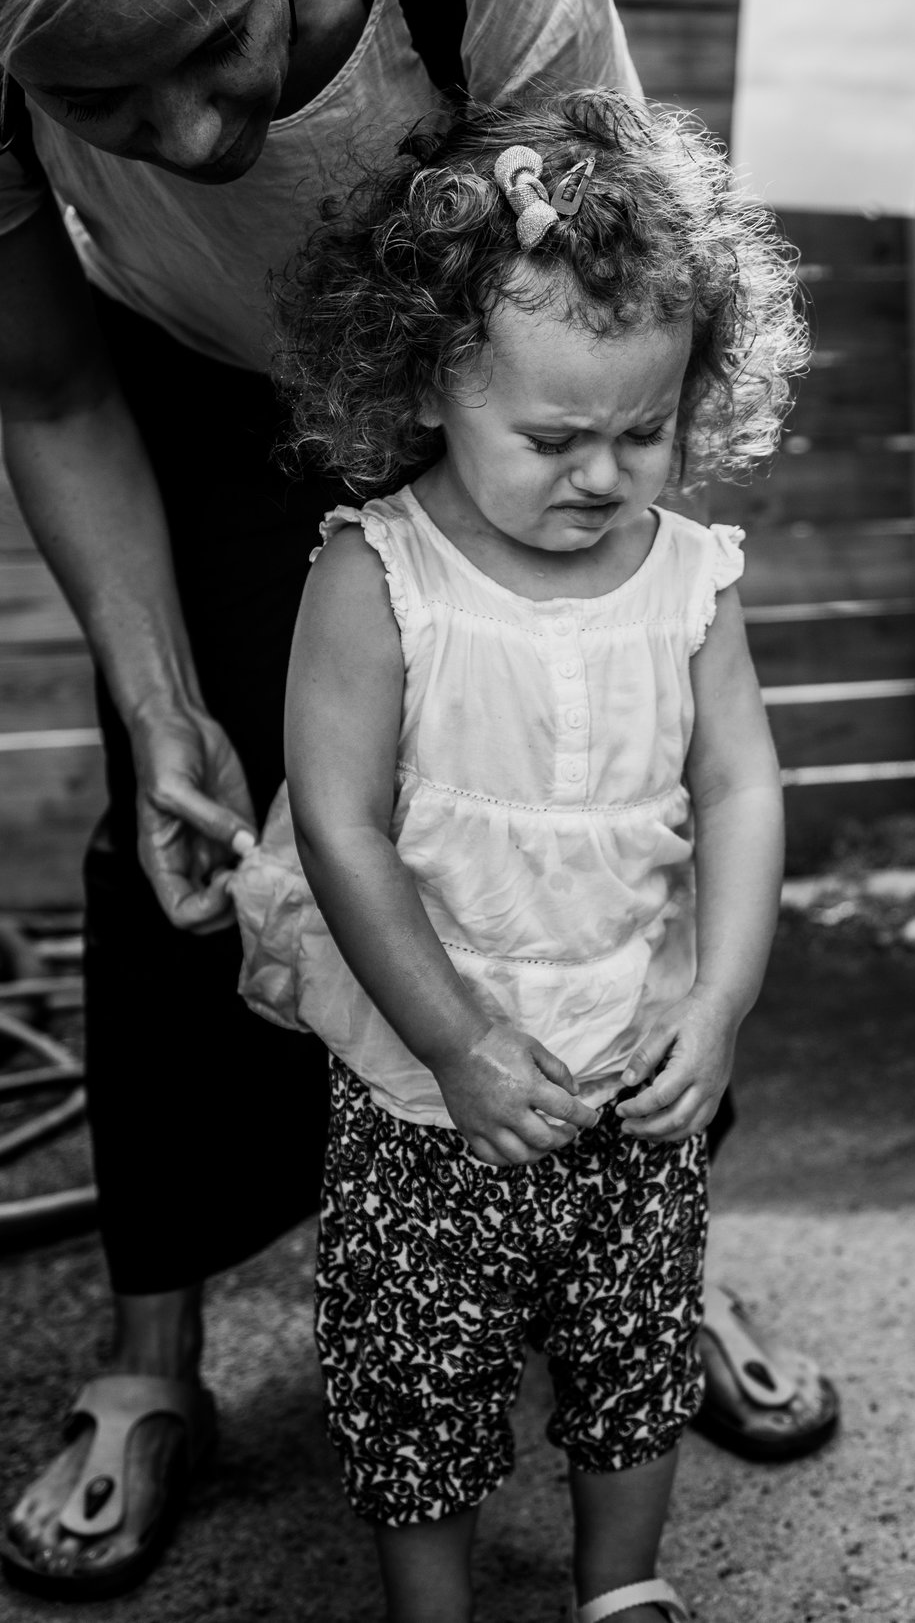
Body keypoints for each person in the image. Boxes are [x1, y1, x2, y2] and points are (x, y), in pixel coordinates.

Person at [0, 0, 833, 1599]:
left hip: (508, 345)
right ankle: (154, 1356)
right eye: (100, 98)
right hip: (183, 379)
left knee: (601, 796)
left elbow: (606, 285)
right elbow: (58, 386)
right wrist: (159, 701)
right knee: (207, 834)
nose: (192, 129)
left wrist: (585, 478)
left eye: (217, 46)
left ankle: (643, 1272)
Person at [225, 89, 800, 1623]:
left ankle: (625, 1590)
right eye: (553, 437)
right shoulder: (376, 575)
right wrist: (459, 1042)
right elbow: (338, 824)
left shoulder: (691, 577)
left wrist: (723, 1002)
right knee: (418, 1370)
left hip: (632, 1061)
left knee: (636, 1343)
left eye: (645, 429)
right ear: (430, 385)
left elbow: (740, 783)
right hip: (431, 1094)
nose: (605, 476)